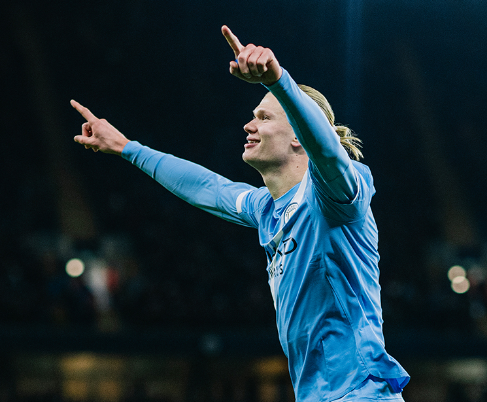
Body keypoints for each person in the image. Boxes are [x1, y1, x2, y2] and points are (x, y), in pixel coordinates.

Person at [71, 25, 409, 402]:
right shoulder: (266, 209)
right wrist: (127, 147)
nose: (249, 125)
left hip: (362, 393)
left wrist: (278, 81)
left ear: (299, 136)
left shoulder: (335, 196)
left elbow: (328, 153)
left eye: (264, 117)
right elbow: (208, 187)